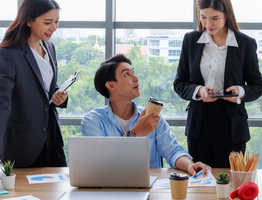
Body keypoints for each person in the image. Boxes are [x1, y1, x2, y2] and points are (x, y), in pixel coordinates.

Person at [0, 0, 68, 181]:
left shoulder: (49, 48)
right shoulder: (8, 54)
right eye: (48, 22)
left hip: (51, 142)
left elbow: (44, 88)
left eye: (57, 21)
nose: (54, 28)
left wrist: (59, 96)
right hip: (22, 146)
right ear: (29, 21)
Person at [173, 0, 262, 168]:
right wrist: (199, 90)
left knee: (228, 183)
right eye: (203, 17)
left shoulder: (245, 43)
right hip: (199, 125)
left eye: (215, 18)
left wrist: (240, 92)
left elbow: (257, 86)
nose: (208, 23)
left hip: (231, 126)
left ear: (227, 15)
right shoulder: (191, 40)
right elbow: (179, 83)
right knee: (200, 182)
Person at [81, 54, 210, 175]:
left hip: (149, 187)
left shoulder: (151, 117)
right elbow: (98, 163)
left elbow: (172, 151)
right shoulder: (93, 121)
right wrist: (136, 132)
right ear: (111, 85)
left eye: (133, 72)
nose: (136, 78)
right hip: (107, 190)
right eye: (126, 74)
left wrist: (189, 165)